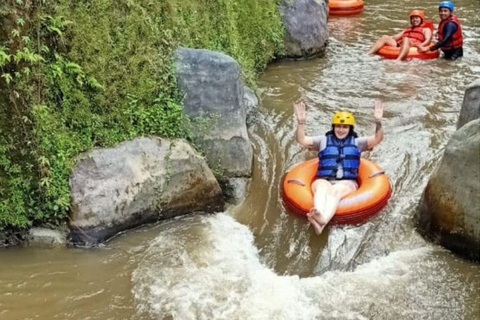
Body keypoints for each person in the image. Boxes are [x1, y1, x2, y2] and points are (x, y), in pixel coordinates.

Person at [294, 100, 384, 234]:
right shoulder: (323, 140)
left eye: (345, 127)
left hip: (347, 182)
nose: (341, 130)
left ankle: (322, 220)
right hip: (324, 179)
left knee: (335, 192)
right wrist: (301, 123)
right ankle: (319, 219)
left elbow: (377, 139)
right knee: (322, 188)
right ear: (333, 127)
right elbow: (302, 140)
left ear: (350, 129)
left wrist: (378, 122)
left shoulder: (357, 142)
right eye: (338, 126)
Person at [367, 10, 433, 61]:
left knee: (406, 39)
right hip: (402, 44)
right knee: (385, 37)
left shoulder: (426, 29)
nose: (415, 20)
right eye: (413, 18)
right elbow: (395, 37)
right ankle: (368, 54)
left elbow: (428, 40)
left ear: (421, 19)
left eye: (417, 18)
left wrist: (421, 46)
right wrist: (381, 40)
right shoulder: (408, 29)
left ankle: (398, 60)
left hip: (414, 46)